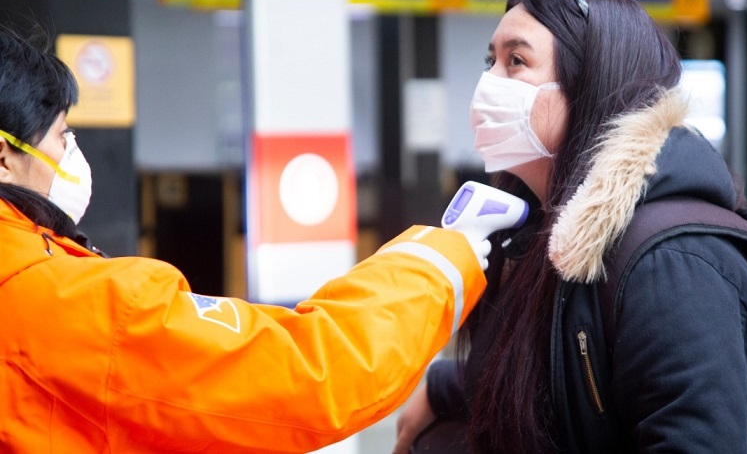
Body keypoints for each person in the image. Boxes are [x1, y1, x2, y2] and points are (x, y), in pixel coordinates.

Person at [0, 28, 491, 453]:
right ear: (5, 156)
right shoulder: (59, 304)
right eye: (62, 135)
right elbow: (310, 375)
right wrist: (444, 259)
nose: (70, 154)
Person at [394, 0, 747, 453]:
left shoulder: (673, 261)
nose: (488, 83)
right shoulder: (538, 231)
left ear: (590, 83)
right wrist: (443, 389)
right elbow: (550, 369)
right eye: (492, 60)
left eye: (516, 61)